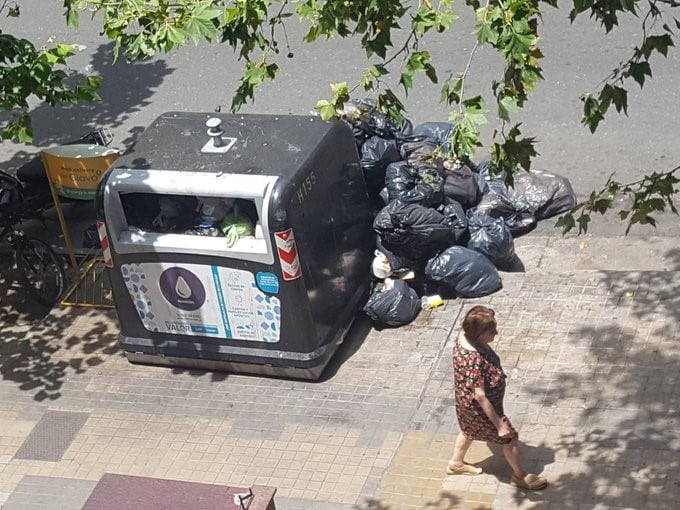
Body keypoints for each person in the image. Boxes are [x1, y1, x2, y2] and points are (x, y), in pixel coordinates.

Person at [447, 305, 548, 491]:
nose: (496, 333)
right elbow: (480, 395)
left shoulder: (464, 335)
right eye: (491, 331)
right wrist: (499, 425)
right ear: (478, 333)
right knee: (509, 439)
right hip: (480, 410)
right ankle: (520, 476)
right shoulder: (473, 360)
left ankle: (456, 463)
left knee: (468, 431)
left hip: (465, 404)